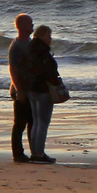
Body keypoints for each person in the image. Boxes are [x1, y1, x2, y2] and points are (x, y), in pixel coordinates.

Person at [25, 24, 62, 164]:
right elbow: (48, 72)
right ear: (41, 36)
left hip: (31, 89)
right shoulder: (42, 52)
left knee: (36, 121)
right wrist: (56, 83)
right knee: (43, 122)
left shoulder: (29, 49)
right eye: (48, 36)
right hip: (43, 90)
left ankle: (35, 152)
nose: (50, 39)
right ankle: (39, 153)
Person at [7, 14, 37, 162]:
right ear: (22, 26)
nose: (32, 25)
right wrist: (19, 90)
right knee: (20, 123)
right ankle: (18, 154)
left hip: (31, 89)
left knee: (32, 121)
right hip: (21, 89)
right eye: (30, 23)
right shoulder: (17, 46)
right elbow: (13, 69)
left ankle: (35, 151)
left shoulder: (30, 43)